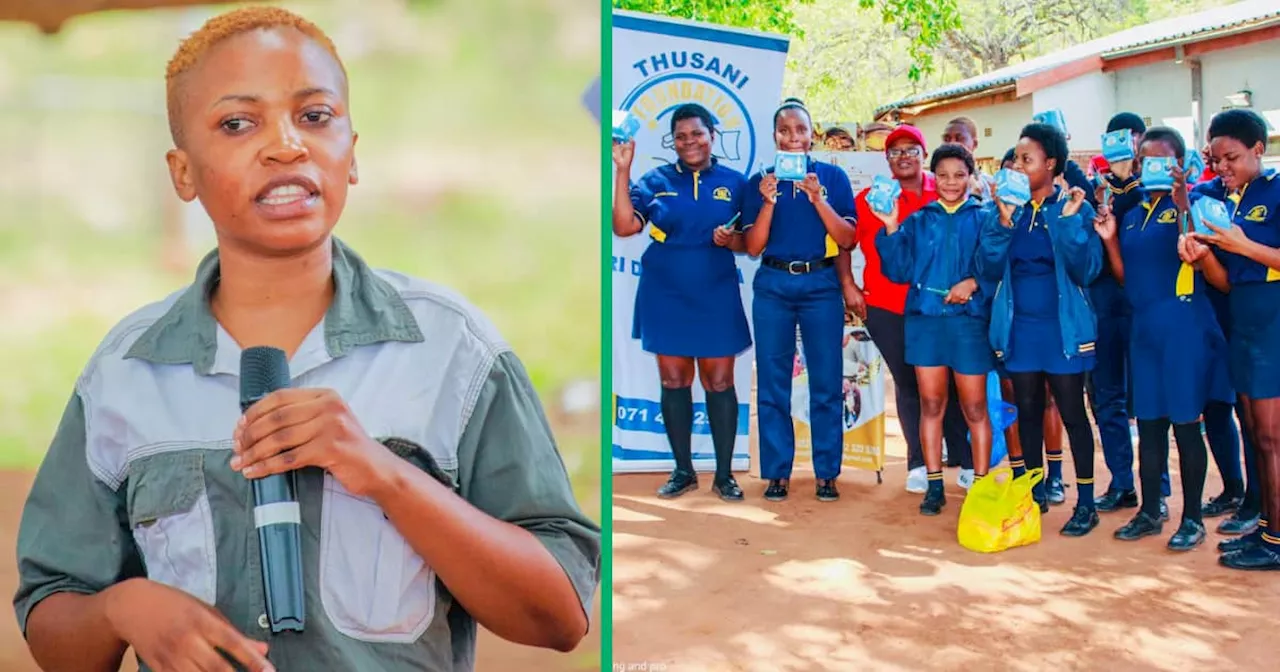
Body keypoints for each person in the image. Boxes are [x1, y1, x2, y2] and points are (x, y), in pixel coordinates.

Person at [12, 8, 599, 672]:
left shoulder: (450, 353)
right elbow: (53, 626)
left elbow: (562, 614)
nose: (286, 146)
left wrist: (384, 475)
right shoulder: (125, 374)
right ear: (183, 173)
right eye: (238, 124)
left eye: (315, 117)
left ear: (352, 154)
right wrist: (122, 607)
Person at [1094, 127, 1230, 551]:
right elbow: (1125, 278)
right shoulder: (1133, 214)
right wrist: (1111, 239)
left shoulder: (1199, 206)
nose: (1149, 168)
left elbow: (1207, 259)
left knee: (1187, 427)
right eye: (1144, 160)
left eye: (1161, 161)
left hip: (1185, 326)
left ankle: (1191, 520)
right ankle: (1150, 510)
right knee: (1149, 427)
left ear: (1182, 165)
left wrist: (1184, 202)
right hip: (1145, 330)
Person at [612, 103, 752, 502]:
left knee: (720, 382)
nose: (689, 142)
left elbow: (751, 241)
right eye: (681, 136)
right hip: (665, 291)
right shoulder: (654, 180)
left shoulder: (735, 183)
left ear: (712, 136)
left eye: (697, 134)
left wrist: (733, 240)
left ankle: (724, 475)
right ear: (672, 141)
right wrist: (622, 170)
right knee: (674, 381)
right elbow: (623, 226)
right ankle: (683, 471)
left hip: (716, 292)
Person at [976, 122, 1103, 536]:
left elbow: (1087, 270)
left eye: (1026, 159)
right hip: (1020, 331)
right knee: (1027, 412)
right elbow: (988, 269)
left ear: (1050, 164)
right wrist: (1003, 221)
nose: (1017, 165)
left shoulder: (1074, 207)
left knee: (1071, 414)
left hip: (1062, 332)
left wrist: (1068, 223)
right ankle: (1031, 497)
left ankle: (1085, 503)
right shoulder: (1004, 211)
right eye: (1014, 159)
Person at [844, 124, 977, 494]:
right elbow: (843, 243)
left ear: (923, 154)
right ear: (886, 159)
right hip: (886, 304)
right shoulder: (872, 198)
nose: (904, 157)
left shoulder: (946, 191)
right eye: (895, 151)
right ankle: (918, 461)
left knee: (948, 380)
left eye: (911, 150)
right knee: (909, 383)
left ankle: (964, 457)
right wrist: (848, 285)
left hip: (939, 306)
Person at [743, 99, 857, 502]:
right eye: (784, 131)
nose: (793, 138)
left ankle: (827, 472)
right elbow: (753, 247)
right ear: (774, 135)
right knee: (774, 382)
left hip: (820, 284)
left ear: (813, 134)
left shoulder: (833, 178)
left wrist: (817, 198)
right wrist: (768, 202)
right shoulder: (759, 181)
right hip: (773, 284)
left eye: (800, 130)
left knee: (826, 380)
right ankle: (777, 472)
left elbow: (847, 239)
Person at [1182, 108, 1280, 570]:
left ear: (1258, 150)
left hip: (1272, 329)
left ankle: (1276, 540)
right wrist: (1202, 257)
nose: (1222, 168)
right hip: (1242, 326)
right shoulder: (1229, 202)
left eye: (1232, 158)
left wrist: (1242, 245)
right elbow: (1227, 283)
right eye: (1216, 159)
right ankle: (1264, 528)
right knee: (1255, 434)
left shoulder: (1276, 191)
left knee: (1270, 437)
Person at [875, 144, 996, 515]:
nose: (951, 183)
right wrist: (892, 226)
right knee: (931, 404)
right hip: (925, 323)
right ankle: (933, 484)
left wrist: (973, 283)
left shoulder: (985, 217)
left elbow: (996, 265)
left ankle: (979, 483)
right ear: (933, 177)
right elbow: (897, 271)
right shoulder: (919, 219)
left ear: (971, 178)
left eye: (960, 175)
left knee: (975, 406)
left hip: (968, 324)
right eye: (943, 175)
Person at [996, 145, 1069, 503]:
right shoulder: (997, 213)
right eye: (1010, 169)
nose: (1018, 173)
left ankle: (1054, 476)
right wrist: (1001, 217)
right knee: (1013, 400)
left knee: (1049, 400)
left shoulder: (1054, 210)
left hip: (1048, 324)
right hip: (1007, 323)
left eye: (1023, 165)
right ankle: (1021, 474)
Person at [1089, 112, 1147, 514]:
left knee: (1148, 401)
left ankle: (1155, 491)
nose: (1121, 148)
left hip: (1145, 305)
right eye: (1112, 140)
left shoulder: (1155, 191)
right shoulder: (1096, 190)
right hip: (1104, 306)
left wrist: (1130, 179)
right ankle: (1122, 483)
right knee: (1106, 398)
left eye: (1128, 140)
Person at [941, 117, 996, 199]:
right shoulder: (934, 182)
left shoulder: (989, 185)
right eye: (947, 139)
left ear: (975, 144)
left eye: (959, 139)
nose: (952, 144)